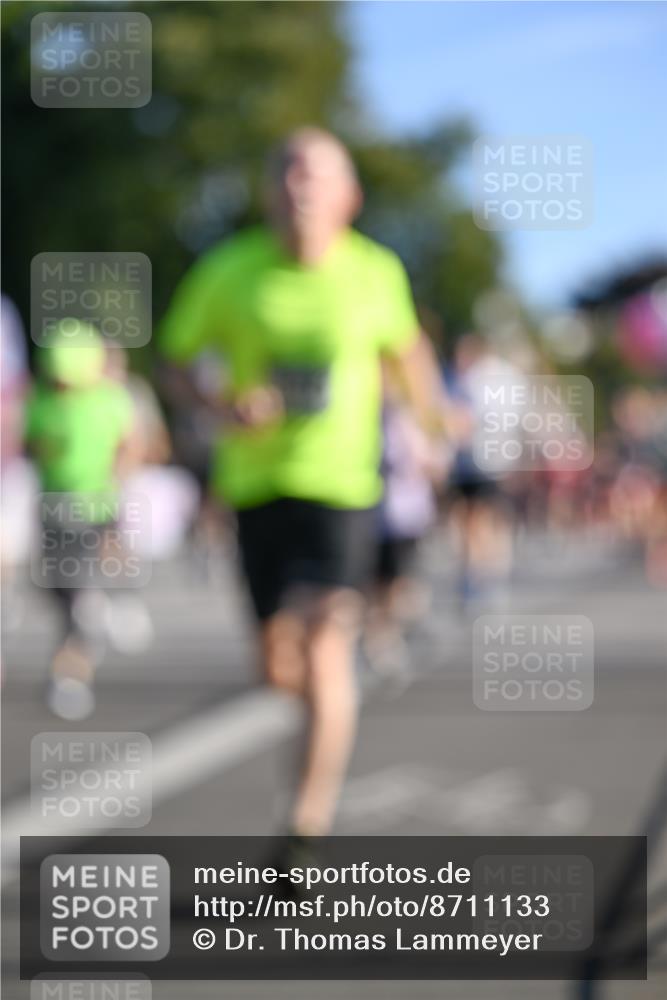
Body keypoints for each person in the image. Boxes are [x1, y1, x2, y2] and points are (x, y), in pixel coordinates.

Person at [159, 128, 442, 848]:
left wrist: (433, 423)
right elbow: (175, 361)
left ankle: (304, 831)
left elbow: (406, 350)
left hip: (342, 486)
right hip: (256, 488)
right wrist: (222, 405)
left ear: (350, 196)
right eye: (285, 170)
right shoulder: (229, 269)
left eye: (315, 173)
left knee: (324, 649)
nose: (298, 185)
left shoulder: (375, 271)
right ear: (266, 192)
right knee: (276, 667)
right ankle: (308, 694)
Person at [25, 321, 137, 719]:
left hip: (95, 510)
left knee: (77, 594)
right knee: (56, 589)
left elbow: (129, 445)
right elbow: (34, 447)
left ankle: (71, 673)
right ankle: (90, 616)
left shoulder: (110, 400)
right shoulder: (42, 402)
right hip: (54, 511)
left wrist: (114, 484)